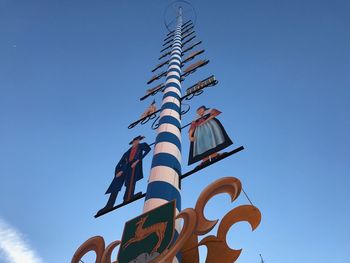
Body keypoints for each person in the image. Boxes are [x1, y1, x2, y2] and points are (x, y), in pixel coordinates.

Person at [98, 136, 151, 214]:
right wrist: (117, 172)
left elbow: (148, 150)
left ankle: (128, 197)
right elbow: (119, 163)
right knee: (115, 185)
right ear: (132, 142)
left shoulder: (142, 145)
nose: (136, 142)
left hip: (133, 165)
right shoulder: (126, 153)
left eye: (138, 140)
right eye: (135, 141)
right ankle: (109, 205)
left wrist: (137, 161)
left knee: (131, 181)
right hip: (123, 169)